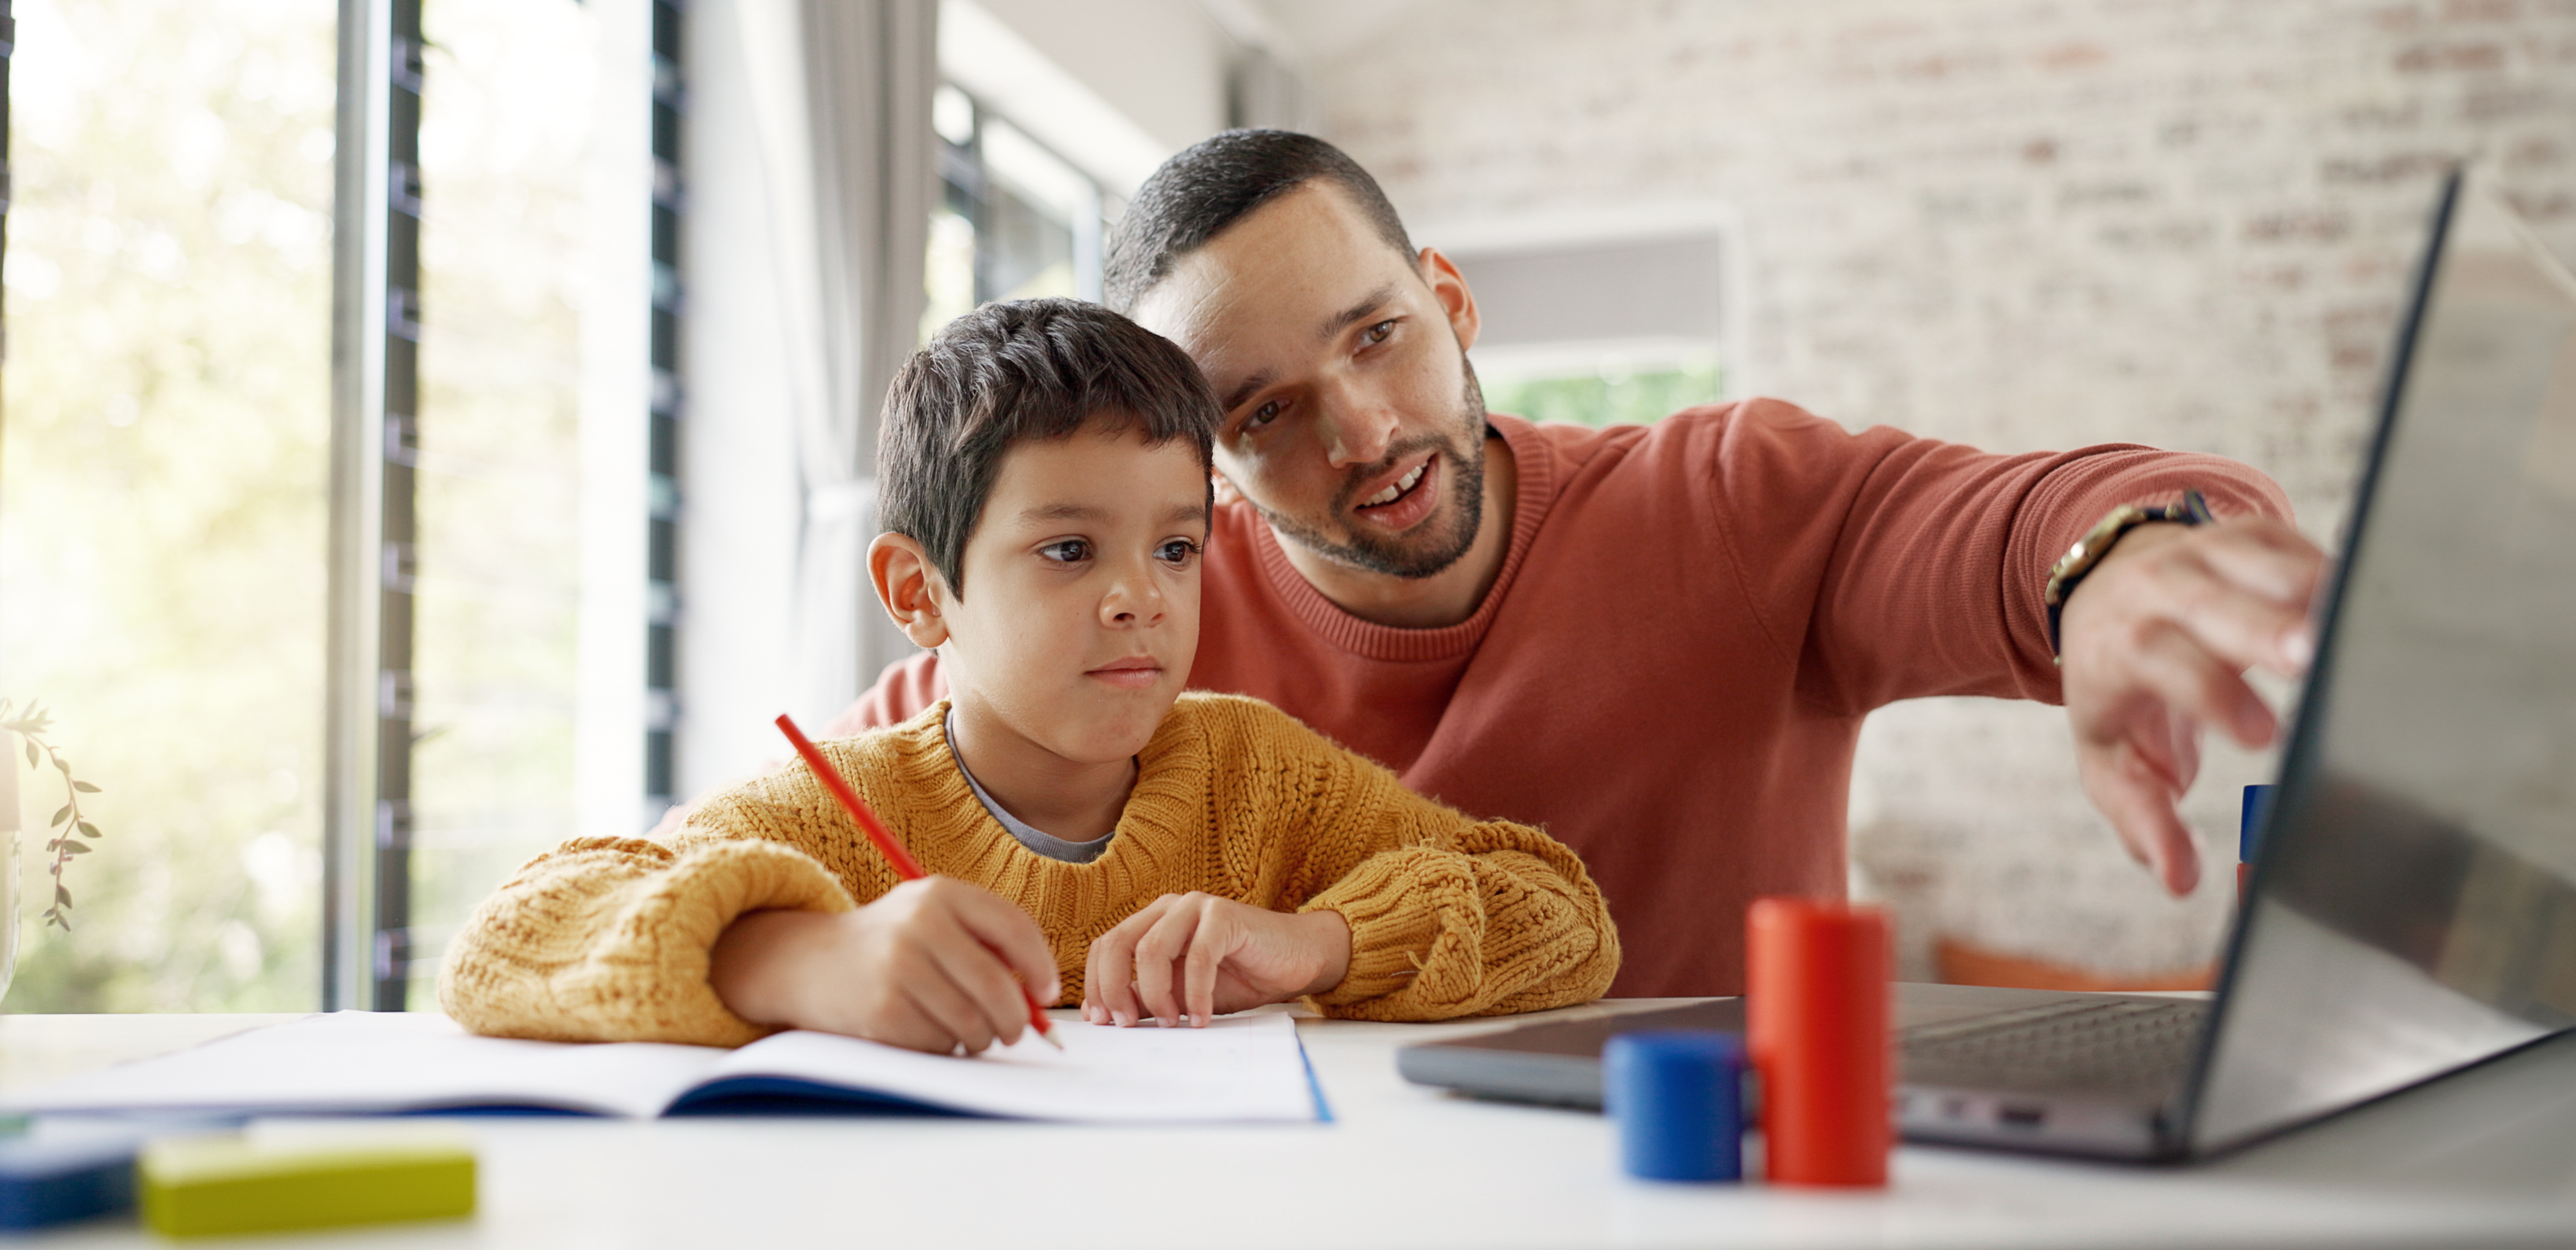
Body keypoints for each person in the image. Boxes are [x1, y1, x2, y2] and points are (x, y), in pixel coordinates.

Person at [833, 131, 2328, 999]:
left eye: (1377, 337)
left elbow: (2034, 521)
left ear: (1450, 301)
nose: (1362, 431)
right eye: (1266, 412)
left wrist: (2124, 561)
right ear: (1204, 457)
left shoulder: (1726, 503)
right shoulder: (1135, 618)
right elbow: (780, 832)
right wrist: (817, 952)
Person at [440, 299, 1620, 1053]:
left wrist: (1316, 943)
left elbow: (1566, 923)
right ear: (918, 593)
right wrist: (802, 960)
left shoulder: (1260, 776)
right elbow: (503, 946)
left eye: (1175, 547)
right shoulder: (830, 819)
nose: (1140, 597)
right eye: (1068, 550)